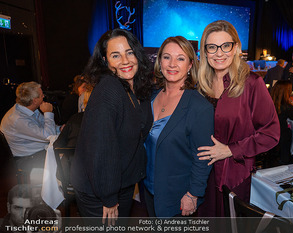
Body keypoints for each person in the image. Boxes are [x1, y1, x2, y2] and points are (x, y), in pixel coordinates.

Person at [196, 20, 280, 216]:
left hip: (233, 175)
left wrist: (230, 150)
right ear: (205, 51)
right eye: (212, 47)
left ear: (236, 48)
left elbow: (271, 133)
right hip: (202, 173)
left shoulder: (251, 83)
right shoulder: (201, 85)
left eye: (226, 46)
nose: (219, 53)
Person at [70, 29, 153, 223]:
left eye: (129, 52)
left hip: (119, 185)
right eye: (116, 55)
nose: (125, 60)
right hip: (100, 192)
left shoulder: (133, 89)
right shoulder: (109, 88)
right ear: (105, 62)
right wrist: (108, 196)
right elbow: (100, 147)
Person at [143, 36, 214, 218]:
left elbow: (203, 157)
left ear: (190, 65)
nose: (172, 64)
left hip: (178, 197)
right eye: (167, 57)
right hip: (149, 191)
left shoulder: (199, 107)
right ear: (160, 61)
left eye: (180, 58)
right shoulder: (150, 97)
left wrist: (193, 194)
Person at [0, 82, 61, 171]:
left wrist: (59, 129)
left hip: (38, 149)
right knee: (66, 157)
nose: (43, 96)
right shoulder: (18, 119)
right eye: (41, 95)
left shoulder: (27, 108)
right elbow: (49, 136)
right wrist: (48, 113)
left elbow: (45, 126)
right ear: (34, 100)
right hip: (28, 158)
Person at [270, 80, 293, 165]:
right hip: (281, 135)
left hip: (269, 133)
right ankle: (286, 161)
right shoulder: (287, 106)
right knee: (290, 133)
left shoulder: (269, 103)